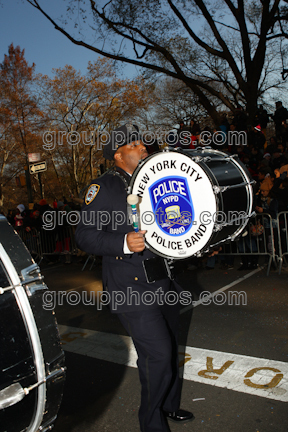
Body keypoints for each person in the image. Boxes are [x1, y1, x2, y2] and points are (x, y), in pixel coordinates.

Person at [75, 124, 194, 432]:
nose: (143, 148)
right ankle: (151, 424)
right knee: (157, 354)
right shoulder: (104, 187)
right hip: (130, 287)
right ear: (117, 155)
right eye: (135, 145)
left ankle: (168, 405)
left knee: (169, 348)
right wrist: (123, 243)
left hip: (163, 281)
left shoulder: (154, 180)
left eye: (143, 143)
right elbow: (84, 236)